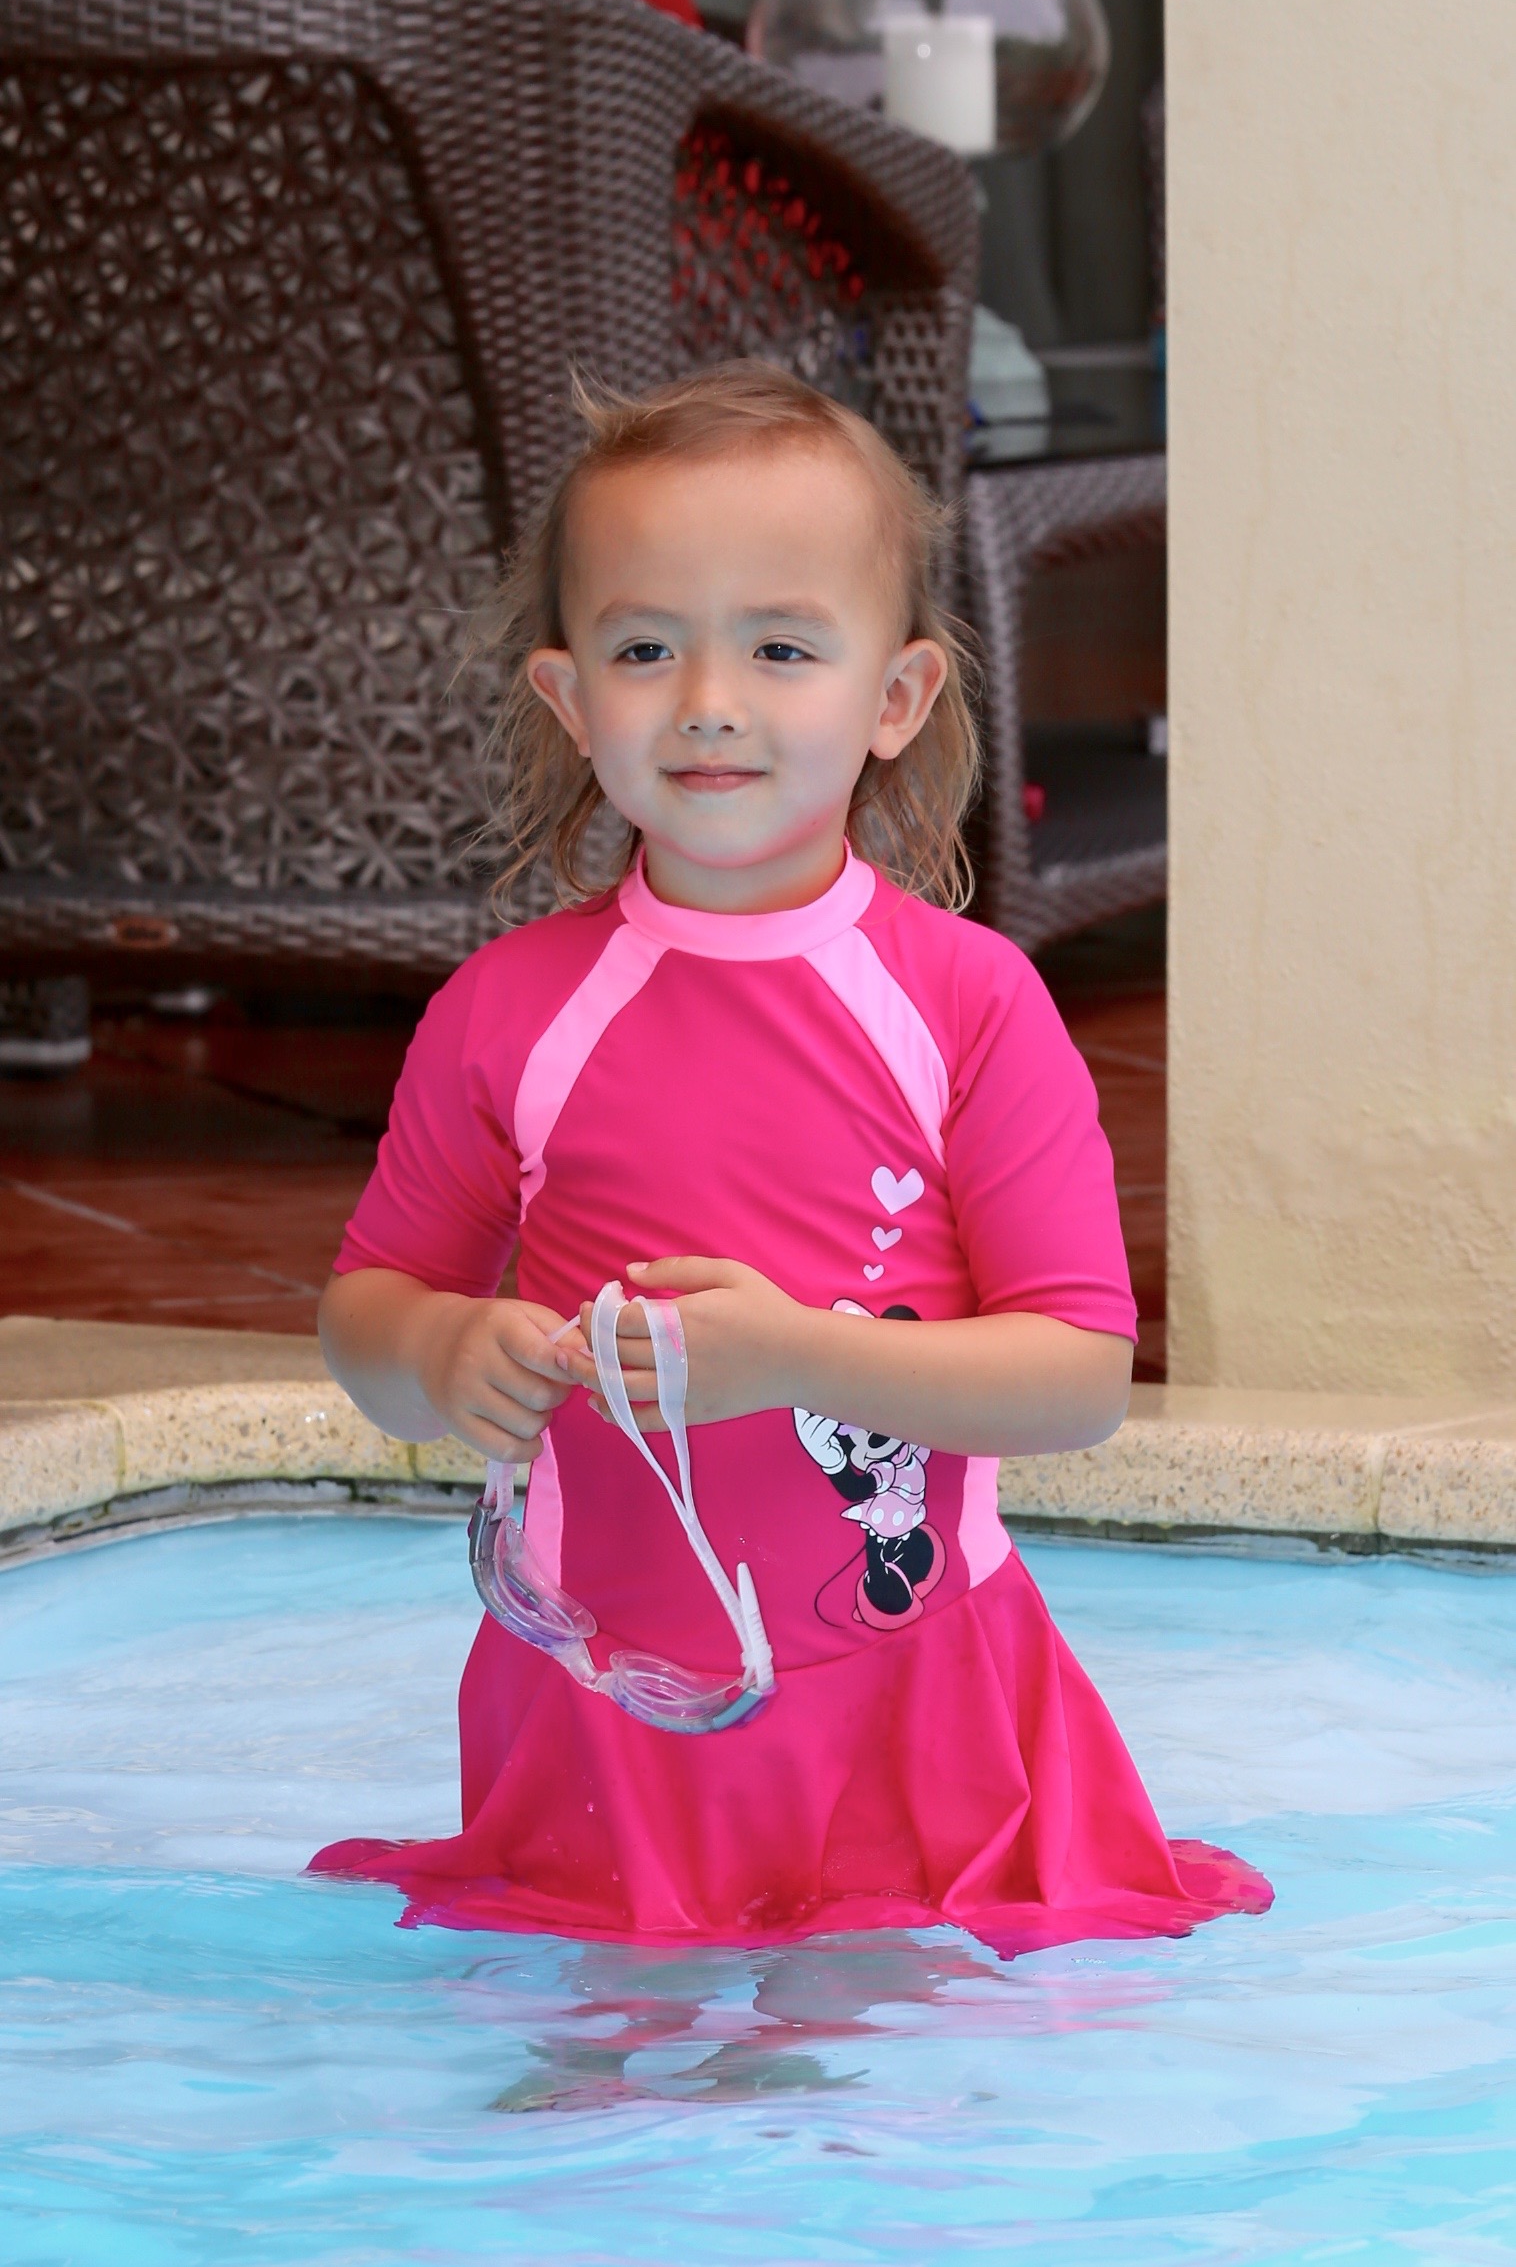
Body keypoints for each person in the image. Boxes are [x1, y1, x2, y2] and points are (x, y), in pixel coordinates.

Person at [311, 362, 1270, 1954]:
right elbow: (368, 1308)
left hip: (912, 1713)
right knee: (588, 2062)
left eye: (778, 645)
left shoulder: (964, 1007)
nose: (708, 698)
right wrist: (438, 1348)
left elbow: (1078, 1376)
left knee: (864, 2054)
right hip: (600, 1709)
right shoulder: (510, 1012)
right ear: (570, 698)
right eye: (644, 647)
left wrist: (800, 1358)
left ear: (895, 697)